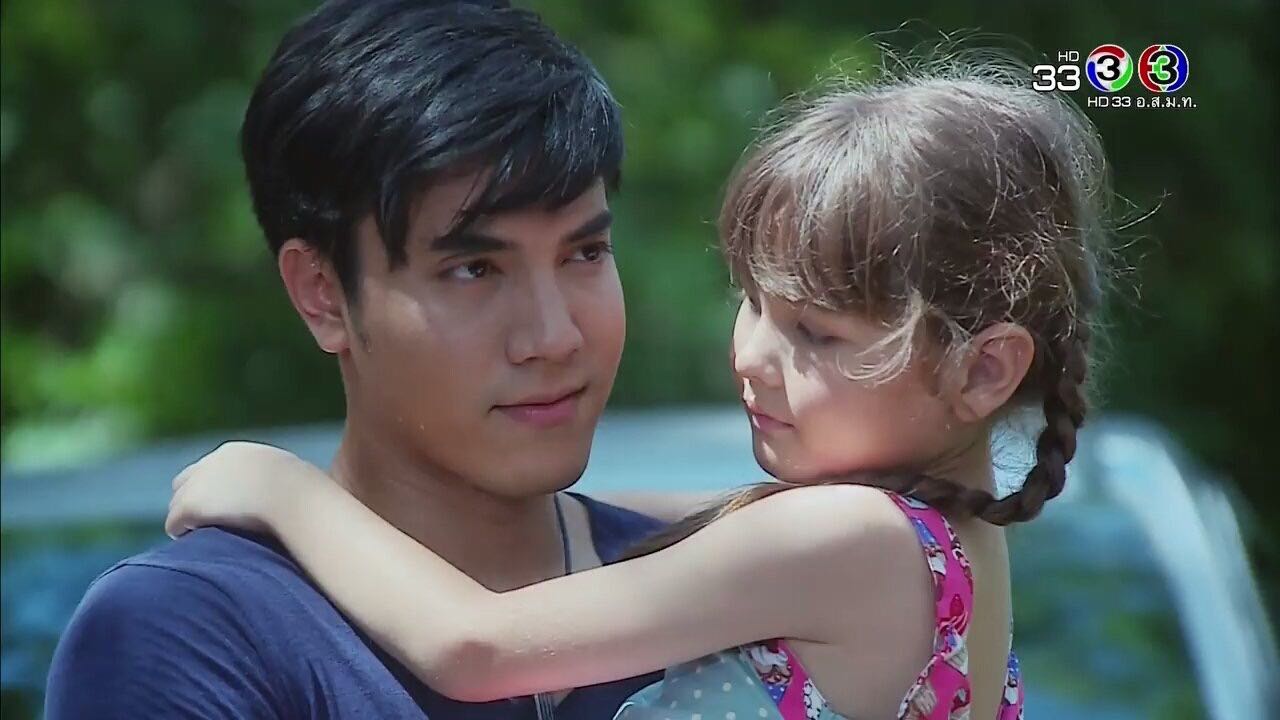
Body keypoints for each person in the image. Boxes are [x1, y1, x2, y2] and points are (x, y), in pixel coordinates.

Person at [166, 59, 1113, 720]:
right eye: (752, 303)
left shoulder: (845, 539)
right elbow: (651, 517)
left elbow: (476, 647)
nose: (751, 355)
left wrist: (284, 491)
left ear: (982, 369)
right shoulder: (958, 538)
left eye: (814, 334)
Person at [45, 1, 690, 717]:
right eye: (474, 269)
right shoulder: (191, 632)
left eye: (586, 253)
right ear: (322, 295)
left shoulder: (715, 595)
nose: (555, 335)